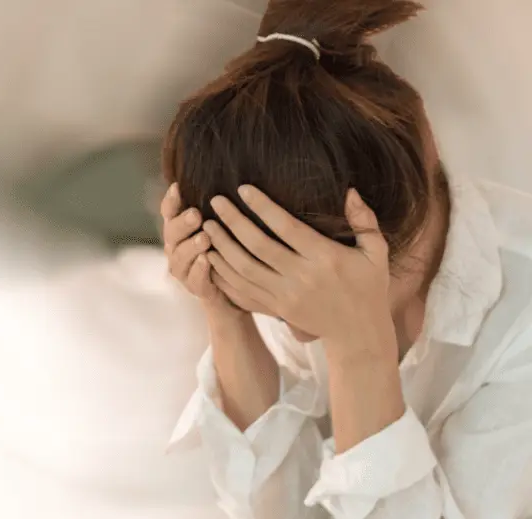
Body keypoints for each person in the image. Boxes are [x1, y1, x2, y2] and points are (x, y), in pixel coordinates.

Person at [159, 0, 532, 518]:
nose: (298, 332)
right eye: (273, 311)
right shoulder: (288, 241)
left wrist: (360, 348)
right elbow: (277, 510)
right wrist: (228, 317)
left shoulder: (520, 316)